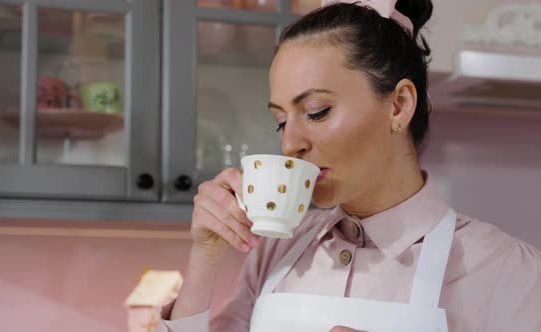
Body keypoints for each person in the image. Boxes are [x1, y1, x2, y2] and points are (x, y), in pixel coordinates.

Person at [151, 0, 541, 331]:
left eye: (317, 112)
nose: (290, 144)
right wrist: (204, 258)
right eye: (281, 121)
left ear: (399, 105)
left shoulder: (510, 275)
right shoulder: (276, 253)